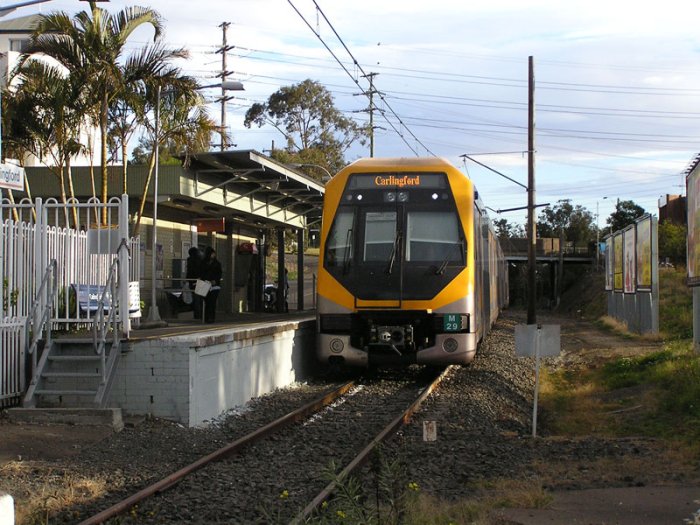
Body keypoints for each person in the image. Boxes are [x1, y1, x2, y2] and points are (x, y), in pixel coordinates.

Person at [200, 246, 222, 323]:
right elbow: (201, 273)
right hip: (205, 284)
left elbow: (219, 274)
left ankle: (211, 318)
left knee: (212, 302)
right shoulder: (203, 263)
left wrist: (215, 280)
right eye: (212, 254)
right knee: (207, 301)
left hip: (215, 285)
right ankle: (206, 317)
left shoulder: (217, 263)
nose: (214, 255)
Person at [186, 247, 203, 319]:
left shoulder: (190, 260)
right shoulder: (201, 260)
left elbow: (189, 271)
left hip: (193, 281)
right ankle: (202, 314)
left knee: (196, 298)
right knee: (200, 298)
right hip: (201, 281)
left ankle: (197, 315)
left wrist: (188, 280)